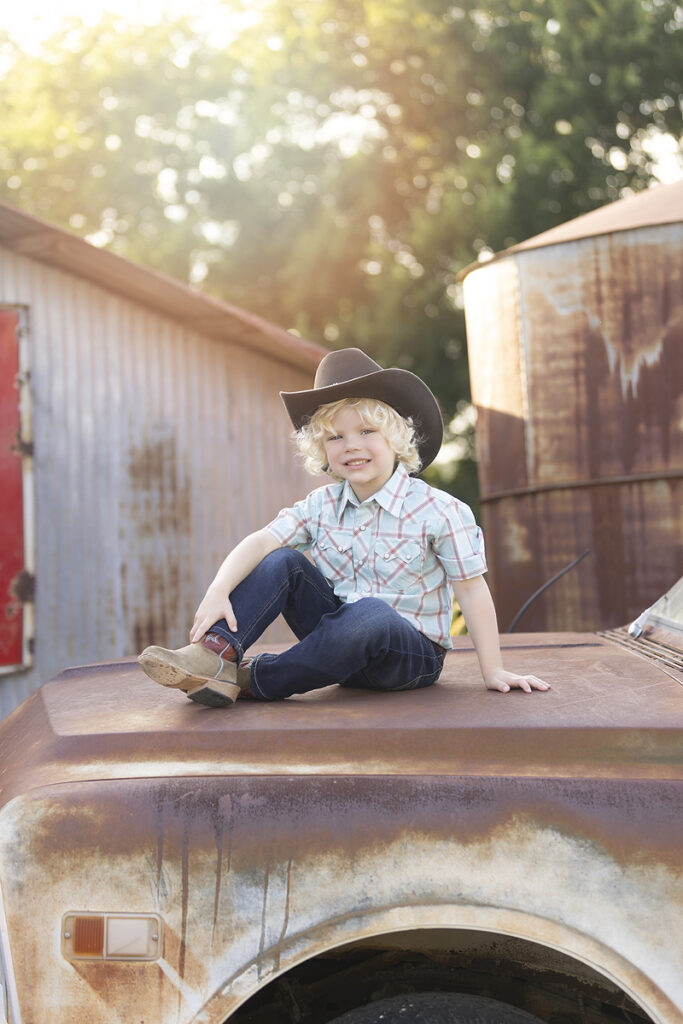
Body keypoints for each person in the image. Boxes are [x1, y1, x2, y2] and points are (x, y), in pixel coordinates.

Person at [138, 347, 549, 707]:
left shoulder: (439, 510)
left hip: (407, 658)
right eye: (335, 437)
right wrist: (218, 590)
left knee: (370, 613)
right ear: (322, 451)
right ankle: (213, 655)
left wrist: (493, 670)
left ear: (396, 440)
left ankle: (253, 680)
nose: (351, 445)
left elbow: (472, 589)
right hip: (336, 646)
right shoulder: (322, 505)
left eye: (367, 431)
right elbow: (262, 540)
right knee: (283, 560)